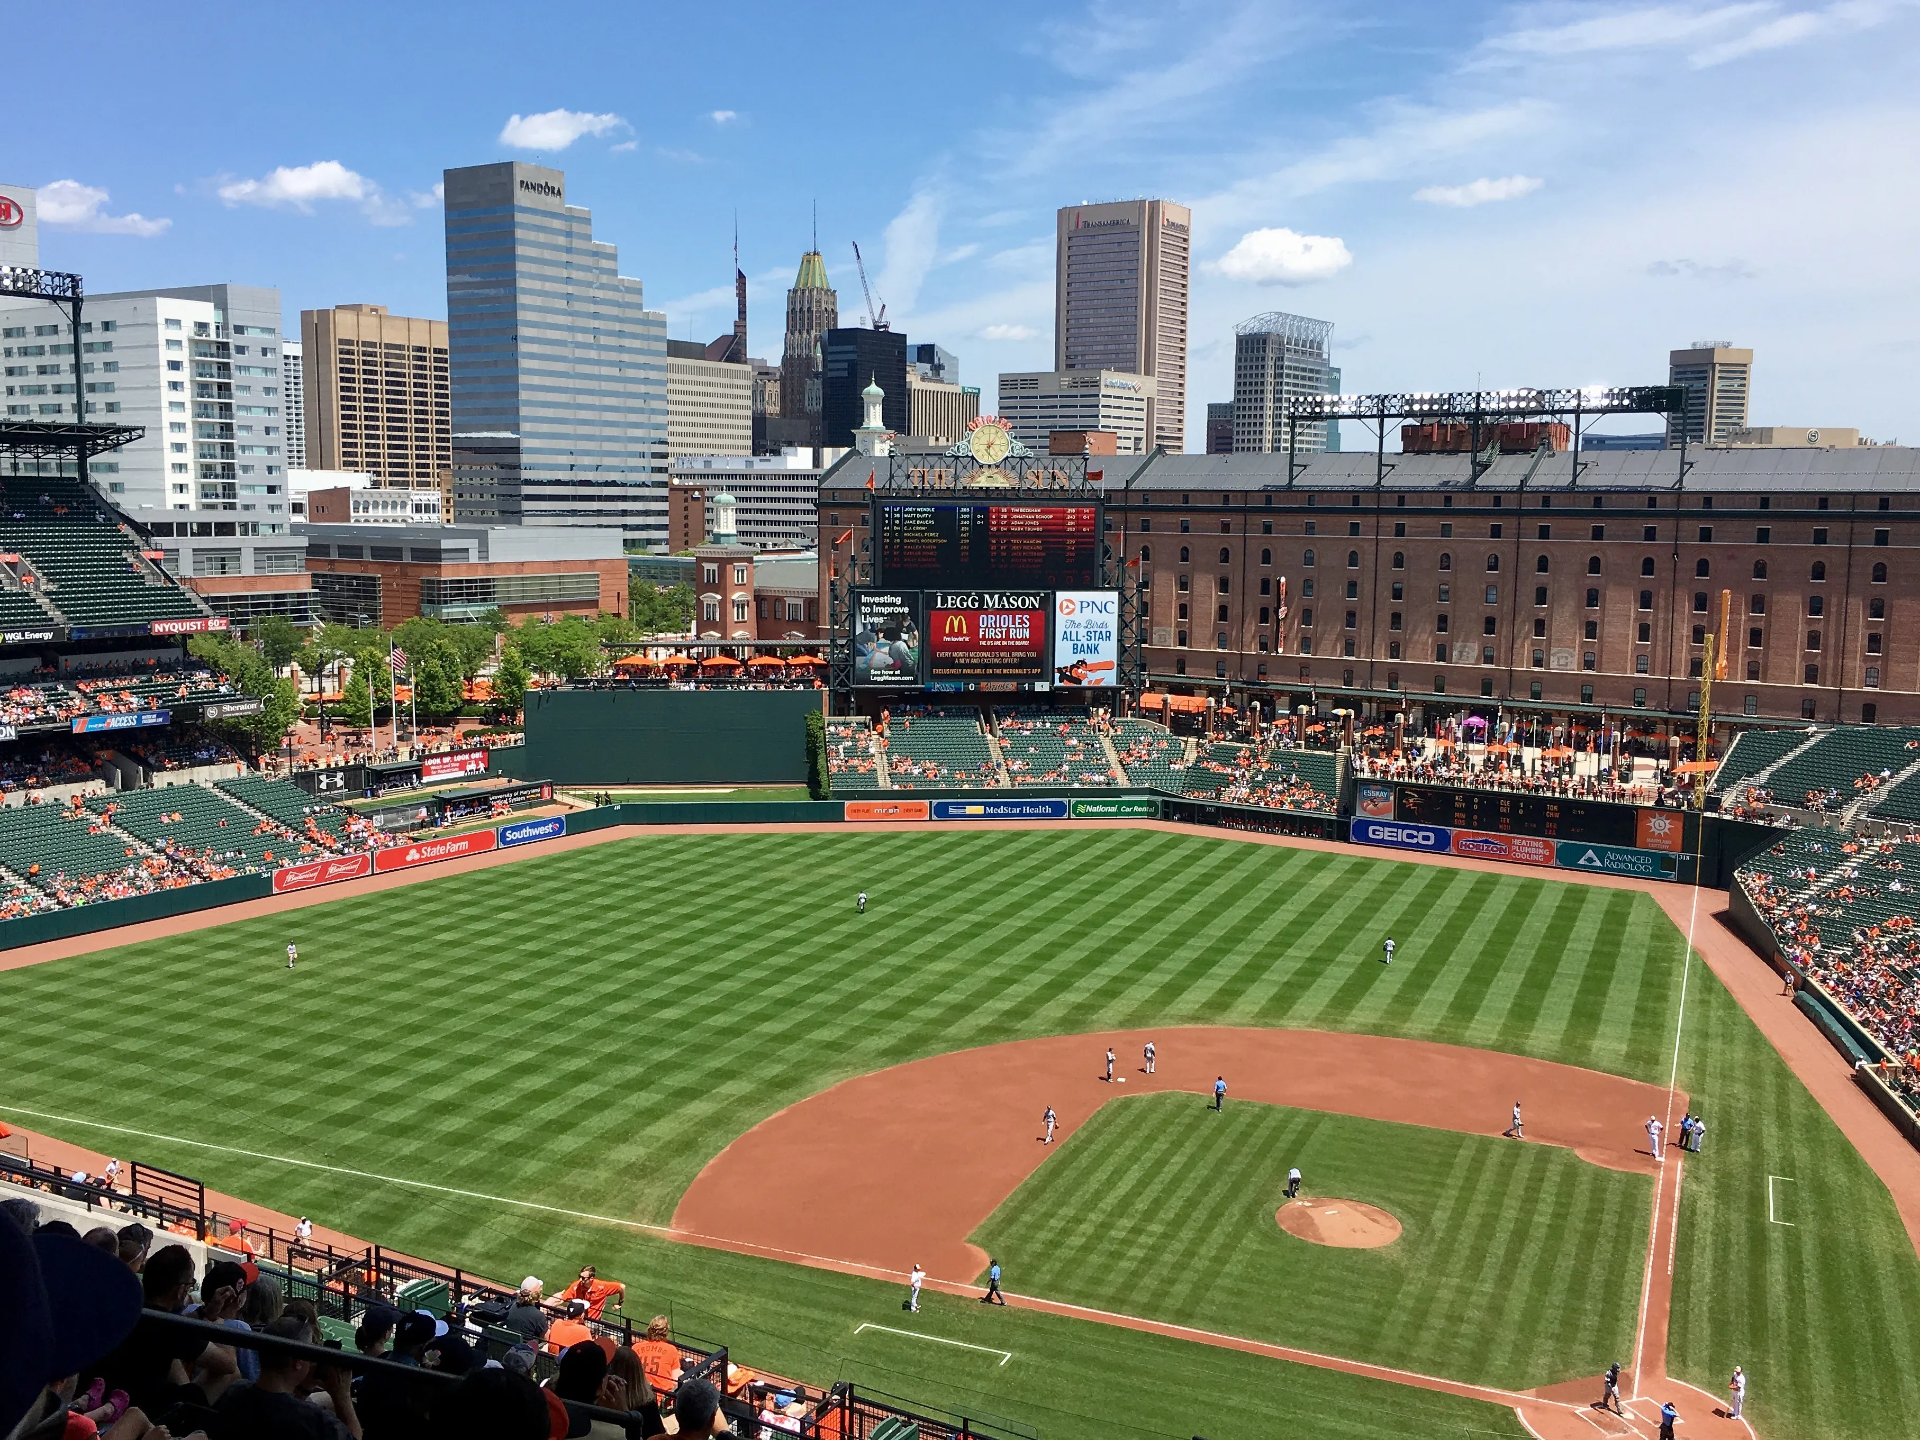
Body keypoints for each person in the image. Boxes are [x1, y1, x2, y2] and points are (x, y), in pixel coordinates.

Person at [209, 1312, 358, 1439]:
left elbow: (278, 1403)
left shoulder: (234, 1393)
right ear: (298, 1362)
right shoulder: (315, 1420)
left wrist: (303, 1386)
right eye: (311, 1349)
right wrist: (342, 1396)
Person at [555, 1264, 625, 1320]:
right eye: (579, 1276)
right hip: (577, 1319)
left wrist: (619, 1303)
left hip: (593, 1321)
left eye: (583, 1278)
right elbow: (562, 1299)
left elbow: (622, 1287)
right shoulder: (576, 1286)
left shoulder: (601, 1287)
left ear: (591, 1278)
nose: (580, 1279)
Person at [501, 1277, 549, 1346]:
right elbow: (544, 1339)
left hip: (511, 1347)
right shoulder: (538, 1316)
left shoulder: (513, 1307)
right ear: (537, 1294)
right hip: (529, 1352)